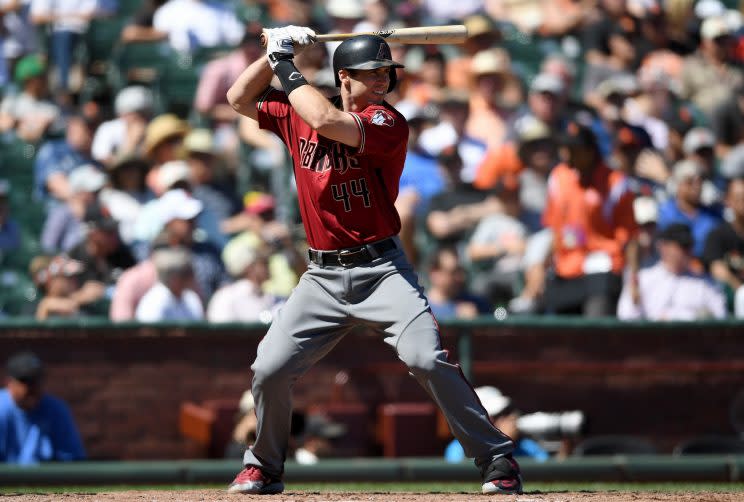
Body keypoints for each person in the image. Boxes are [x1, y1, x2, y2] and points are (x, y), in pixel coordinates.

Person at [225, 28, 522, 495]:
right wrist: (271, 53)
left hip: (380, 270)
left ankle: (497, 459)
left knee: (427, 358)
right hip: (321, 276)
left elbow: (326, 121)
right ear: (344, 76)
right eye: (371, 73)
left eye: (386, 72)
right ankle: (264, 465)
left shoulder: (388, 121)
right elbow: (238, 97)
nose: (382, 80)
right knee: (269, 369)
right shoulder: (299, 109)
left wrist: (286, 63)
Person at [617, 223, 726, 320]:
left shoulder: (705, 283)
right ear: (663, 247)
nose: (687, 251)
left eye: (689, 246)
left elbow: (720, 315)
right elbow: (626, 316)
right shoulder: (643, 279)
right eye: (682, 246)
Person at [0, 351, 85, 463]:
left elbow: (72, 458)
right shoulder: (2, 409)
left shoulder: (56, 409)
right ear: (9, 382)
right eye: (25, 381)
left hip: (45, 479)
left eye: (36, 381)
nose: (31, 388)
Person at [445, 386, 549, 463]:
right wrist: (502, 445)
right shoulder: (458, 448)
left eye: (505, 412)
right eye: (496, 416)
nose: (505, 419)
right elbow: (467, 475)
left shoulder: (525, 445)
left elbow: (547, 471)